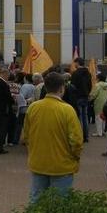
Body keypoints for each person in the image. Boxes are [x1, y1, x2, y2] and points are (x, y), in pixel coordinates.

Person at [21, 72, 83, 202]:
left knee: (36, 200)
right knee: (60, 204)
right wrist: (75, 157)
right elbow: (76, 141)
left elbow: (26, 135)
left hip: (38, 163)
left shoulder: (33, 107)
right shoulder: (68, 110)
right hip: (62, 166)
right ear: (62, 88)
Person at [71, 57, 93, 143]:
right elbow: (90, 85)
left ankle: (80, 136)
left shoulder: (75, 73)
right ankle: (86, 136)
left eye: (75, 63)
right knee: (85, 117)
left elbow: (73, 86)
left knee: (79, 117)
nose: (74, 65)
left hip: (78, 96)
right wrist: (87, 93)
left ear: (77, 63)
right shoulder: (88, 73)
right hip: (85, 97)